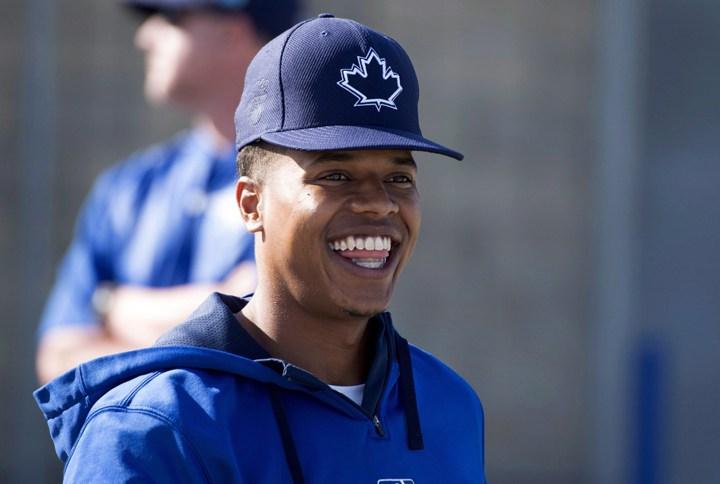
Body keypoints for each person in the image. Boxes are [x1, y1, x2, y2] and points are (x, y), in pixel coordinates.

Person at [35, 14, 487, 482]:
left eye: (399, 177)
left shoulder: (447, 404)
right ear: (251, 204)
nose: (378, 203)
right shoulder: (153, 429)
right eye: (335, 175)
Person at [35, 0, 301, 383]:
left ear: (232, 32)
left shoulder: (303, 186)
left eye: (172, 18)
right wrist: (217, 305)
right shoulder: (127, 187)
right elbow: (58, 359)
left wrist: (114, 307)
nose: (145, 37)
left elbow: (267, 340)